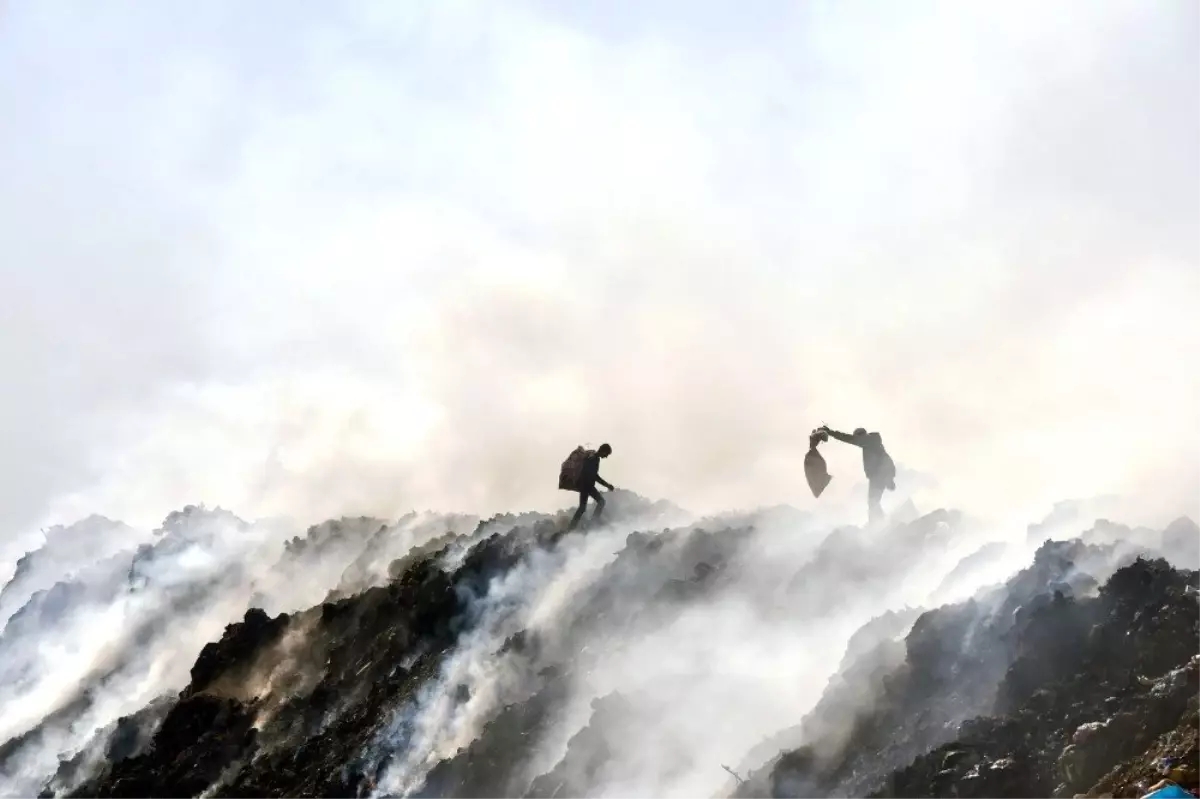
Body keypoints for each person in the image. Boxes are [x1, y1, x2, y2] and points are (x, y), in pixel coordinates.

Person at [819, 426, 896, 524]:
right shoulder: (873, 442)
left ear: (860, 435)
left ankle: (877, 524)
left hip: (878, 476)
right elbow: (886, 460)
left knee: (873, 501)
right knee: (873, 501)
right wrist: (889, 477)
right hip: (879, 475)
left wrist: (830, 432)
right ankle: (879, 523)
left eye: (857, 438)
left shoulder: (868, 440)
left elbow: (848, 438)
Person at [568, 443, 614, 530]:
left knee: (583, 508)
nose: (606, 456)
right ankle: (592, 523)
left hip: (586, 485)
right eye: (606, 454)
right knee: (600, 502)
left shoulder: (594, 457)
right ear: (603, 451)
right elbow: (595, 476)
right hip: (586, 486)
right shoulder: (594, 459)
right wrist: (607, 485)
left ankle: (571, 528)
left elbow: (593, 475)